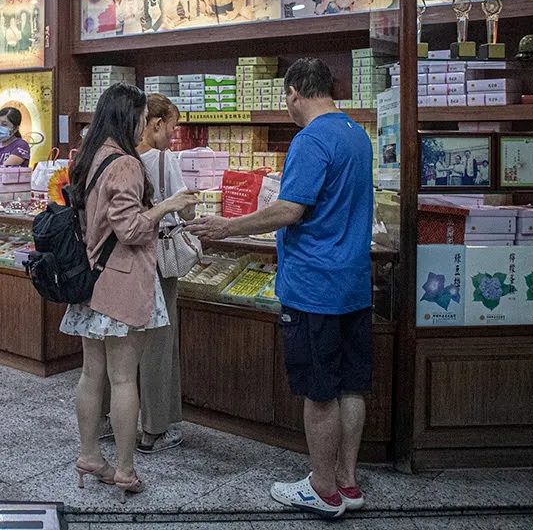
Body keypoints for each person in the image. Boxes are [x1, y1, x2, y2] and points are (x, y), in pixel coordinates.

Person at [189, 58, 373, 519]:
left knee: (319, 391)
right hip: (354, 282)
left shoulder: (310, 139)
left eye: (286, 98)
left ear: (293, 92)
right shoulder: (356, 133)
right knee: (351, 386)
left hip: (315, 286)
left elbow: (289, 210)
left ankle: (323, 489)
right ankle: (349, 483)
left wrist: (227, 226)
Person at [60, 83, 198, 501]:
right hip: (121, 283)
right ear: (128, 116)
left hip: (89, 280)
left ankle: (89, 455)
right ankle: (123, 469)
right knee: (123, 380)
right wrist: (166, 207)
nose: (144, 124)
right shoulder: (125, 164)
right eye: (140, 116)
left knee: (90, 374)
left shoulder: (88, 156)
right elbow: (131, 228)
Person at [134, 93, 196, 453]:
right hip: (158, 259)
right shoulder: (162, 159)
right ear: (156, 124)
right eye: (171, 127)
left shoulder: (119, 156)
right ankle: (154, 428)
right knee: (159, 340)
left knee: (123, 341)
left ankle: (113, 419)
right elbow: (182, 208)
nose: (172, 135)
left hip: (124, 261)